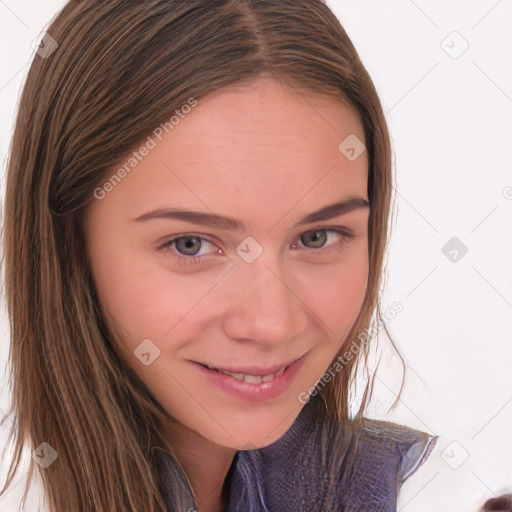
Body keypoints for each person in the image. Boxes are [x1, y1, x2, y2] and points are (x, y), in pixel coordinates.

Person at [0, 1, 507, 511]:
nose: (271, 323)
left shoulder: (427, 492)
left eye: (317, 237)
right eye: (190, 245)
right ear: (70, 242)